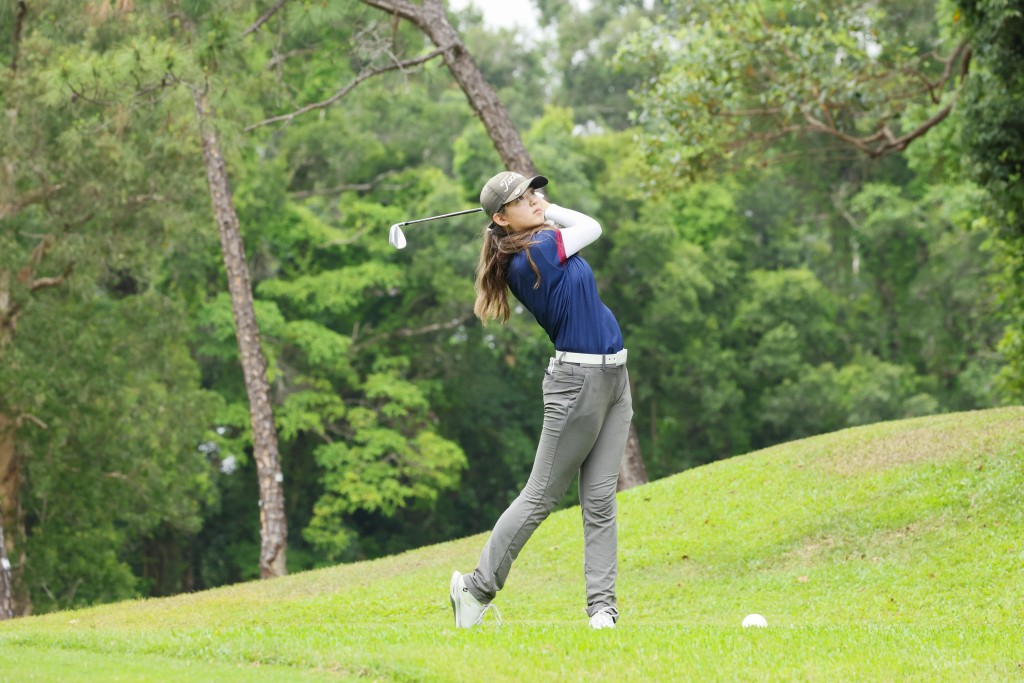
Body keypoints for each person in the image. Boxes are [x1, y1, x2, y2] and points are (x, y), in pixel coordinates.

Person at [449, 171, 633, 630]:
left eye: (534, 192)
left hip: (615, 379)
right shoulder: (536, 251)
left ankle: (602, 610)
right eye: (522, 198)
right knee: (540, 496)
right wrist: (549, 210)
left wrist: (537, 210)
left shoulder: (539, 244)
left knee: (600, 501)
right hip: (578, 385)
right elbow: (592, 226)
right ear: (500, 218)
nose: (534, 199)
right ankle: (475, 589)